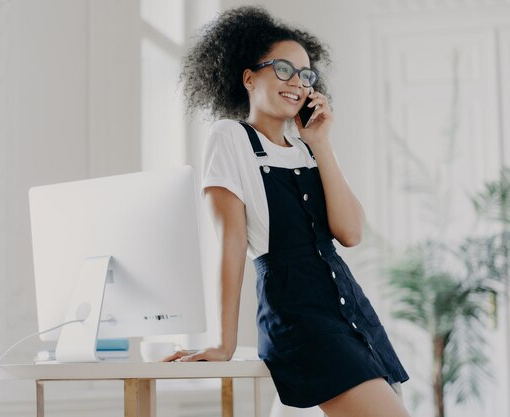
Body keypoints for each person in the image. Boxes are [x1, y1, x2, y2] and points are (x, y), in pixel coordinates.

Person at [162, 6, 410, 416]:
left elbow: (349, 233)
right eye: (282, 69)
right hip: (299, 318)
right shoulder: (231, 137)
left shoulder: (306, 148)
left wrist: (321, 142)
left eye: (305, 75)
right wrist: (223, 342)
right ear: (248, 77)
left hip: (348, 310)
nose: (296, 82)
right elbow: (231, 241)